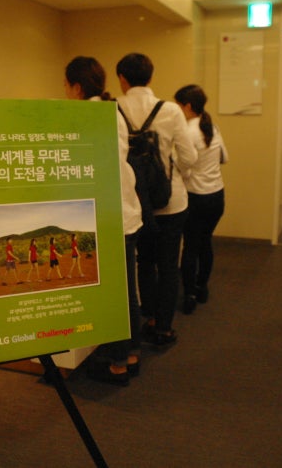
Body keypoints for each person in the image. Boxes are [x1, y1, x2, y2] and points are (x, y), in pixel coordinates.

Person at [64, 55, 143, 385]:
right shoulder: (113, 110)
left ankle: (118, 363)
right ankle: (131, 353)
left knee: (115, 295)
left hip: (110, 216)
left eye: (67, 86)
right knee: (127, 289)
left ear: (76, 87)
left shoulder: (84, 115)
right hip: (127, 211)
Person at [116, 53, 197, 348]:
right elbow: (190, 157)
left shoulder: (113, 108)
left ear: (122, 79)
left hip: (135, 202)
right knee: (168, 265)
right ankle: (163, 328)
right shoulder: (171, 110)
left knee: (144, 263)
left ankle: (148, 317)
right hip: (171, 202)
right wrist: (173, 170)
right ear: (150, 77)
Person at [174, 84, 228, 314]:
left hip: (196, 198)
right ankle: (202, 287)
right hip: (217, 196)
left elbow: (183, 166)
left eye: (178, 105)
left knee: (191, 247)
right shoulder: (212, 127)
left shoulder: (187, 132)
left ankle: (190, 295)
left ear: (187, 106)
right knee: (205, 242)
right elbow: (225, 157)